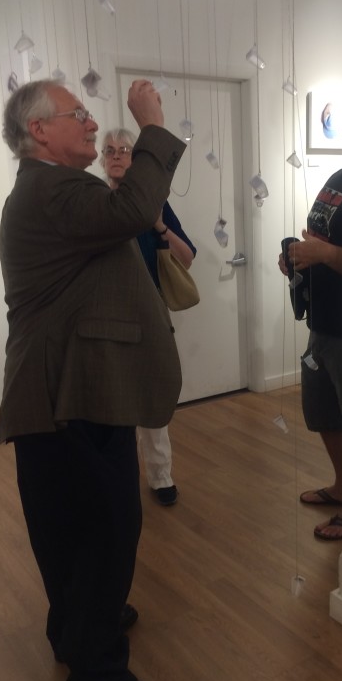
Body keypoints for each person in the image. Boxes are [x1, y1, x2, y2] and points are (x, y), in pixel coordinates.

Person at [0, 78, 186, 681]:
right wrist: (154, 125)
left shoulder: (47, 189)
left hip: (64, 388)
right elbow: (131, 213)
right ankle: (97, 678)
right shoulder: (55, 189)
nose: (91, 122)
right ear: (39, 131)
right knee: (106, 529)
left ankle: (77, 627)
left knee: (70, 526)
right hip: (65, 393)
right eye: (77, 114)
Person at [100, 127, 197, 506]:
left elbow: (186, 257)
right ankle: (119, 479)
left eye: (124, 149)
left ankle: (160, 476)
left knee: (153, 399)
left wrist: (158, 224)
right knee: (111, 404)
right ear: (101, 159)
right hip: (106, 316)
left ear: (137, 158)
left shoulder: (153, 202)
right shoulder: (93, 201)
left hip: (150, 312)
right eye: (109, 150)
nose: (116, 155)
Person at [279, 127, 342, 541]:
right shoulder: (338, 180)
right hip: (321, 323)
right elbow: (319, 238)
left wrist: (323, 254)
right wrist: (298, 259)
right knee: (323, 413)